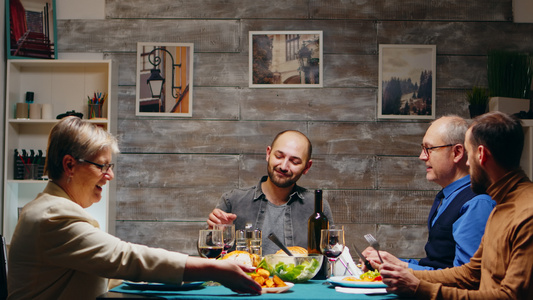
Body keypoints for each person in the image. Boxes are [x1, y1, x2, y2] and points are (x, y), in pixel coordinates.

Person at [7, 117, 261, 300]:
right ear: (70, 165)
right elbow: (123, 257)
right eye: (102, 166)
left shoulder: (51, 208)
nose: (110, 176)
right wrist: (214, 268)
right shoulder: (53, 216)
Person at [381, 111, 533, 299]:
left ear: (481, 155)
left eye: (469, 154)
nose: (467, 163)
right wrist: (405, 275)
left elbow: (511, 296)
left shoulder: (527, 214)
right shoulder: (503, 203)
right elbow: (471, 273)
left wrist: (420, 288)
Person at [363, 116, 495, 270]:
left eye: (429, 148)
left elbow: (466, 278)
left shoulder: (477, 203)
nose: (422, 156)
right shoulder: (446, 197)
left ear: (457, 152)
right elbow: (435, 264)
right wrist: (388, 262)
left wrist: (401, 267)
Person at [207, 130, 333, 255]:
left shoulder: (317, 207)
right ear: (268, 153)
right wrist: (217, 235)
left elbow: (331, 255)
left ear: (307, 167)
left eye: (294, 161)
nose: (283, 166)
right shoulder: (233, 200)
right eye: (279, 156)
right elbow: (208, 254)